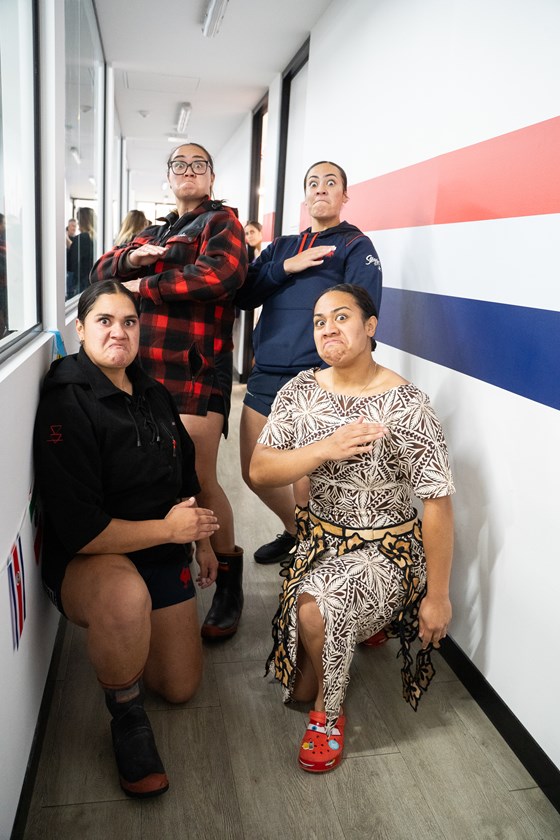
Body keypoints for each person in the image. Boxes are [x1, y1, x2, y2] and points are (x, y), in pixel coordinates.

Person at [250, 284, 454, 773]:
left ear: (370, 326)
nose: (328, 329)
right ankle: (354, 635)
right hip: (319, 544)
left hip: (387, 551)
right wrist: (323, 449)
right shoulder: (300, 391)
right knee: (296, 683)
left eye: (341, 317)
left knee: (319, 612)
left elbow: (438, 504)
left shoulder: (406, 404)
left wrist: (438, 596)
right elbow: (260, 469)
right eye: (319, 321)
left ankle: (329, 713)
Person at [33, 281, 220, 797]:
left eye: (130, 321)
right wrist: (170, 531)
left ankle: (136, 645)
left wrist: (200, 539)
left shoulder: (151, 390)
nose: (119, 331)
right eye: (105, 321)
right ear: (81, 328)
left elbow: (186, 477)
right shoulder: (67, 399)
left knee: (181, 688)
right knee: (124, 597)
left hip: (158, 547)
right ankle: (127, 719)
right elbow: (82, 530)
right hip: (94, 557)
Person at [91, 143, 248, 640]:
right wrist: (133, 257)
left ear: (211, 176)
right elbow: (101, 272)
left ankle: (228, 580)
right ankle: (176, 562)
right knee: (156, 474)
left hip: (195, 369)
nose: (188, 171)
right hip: (145, 373)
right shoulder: (155, 232)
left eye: (198, 165)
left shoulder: (222, 224)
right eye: (179, 165)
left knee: (199, 477)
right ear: (169, 177)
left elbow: (220, 275)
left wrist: (144, 286)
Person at [235, 161, 382, 565]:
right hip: (267, 372)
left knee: (307, 480)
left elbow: (363, 315)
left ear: (344, 196)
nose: (321, 188)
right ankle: (299, 531)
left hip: (316, 378)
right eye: (313, 183)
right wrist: (286, 267)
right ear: (305, 197)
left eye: (330, 182)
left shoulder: (355, 246)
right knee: (254, 470)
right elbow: (243, 293)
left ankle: (317, 557)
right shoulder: (282, 246)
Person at [67, 207, 95, 297]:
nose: (78, 224)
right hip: (92, 284)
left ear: (83, 221)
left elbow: (72, 265)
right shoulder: (96, 239)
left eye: (79, 221)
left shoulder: (81, 239)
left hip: (81, 286)